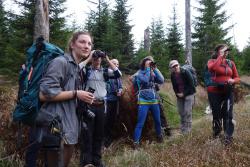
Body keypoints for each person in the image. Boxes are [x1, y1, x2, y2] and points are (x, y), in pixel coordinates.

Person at [24, 31, 95, 167]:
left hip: (69, 130)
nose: (86, 46)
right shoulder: (60, 62)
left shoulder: (76, 68)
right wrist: (76, 93)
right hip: (56, 131)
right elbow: (44, 94)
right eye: (82, 42)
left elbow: (69, 93)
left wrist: (82, 98)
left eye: (89, 43)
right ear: (72, 45)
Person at [79, 51, 122, 167]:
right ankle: (86, 161)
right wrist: (88, 58)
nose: (97, 60)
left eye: (99, 58)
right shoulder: (86, 71)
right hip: (89, 105)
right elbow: (77, 68)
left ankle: (96, 160)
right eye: (95, 58)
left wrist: (107, 60)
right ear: (92, 59)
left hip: (101, 106)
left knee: (99, 134)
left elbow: (118, 74)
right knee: (87, 134)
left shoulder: (105, 72)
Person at [206, 44, 240, 145]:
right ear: (218, 52)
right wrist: (220, 56)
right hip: (214, 92)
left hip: (227, 91)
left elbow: (237, 78)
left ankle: (228, 137)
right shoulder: (211, 61)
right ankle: (216, 134)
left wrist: (232, 80)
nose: (226, 52)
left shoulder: (230, 63)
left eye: (227, 50)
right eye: (223, 50)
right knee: (216, 114)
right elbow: (214, 68)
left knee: (228, 114)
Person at [133, 56, 164, 147]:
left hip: (154, 100)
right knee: (140, 123)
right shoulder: (139, 73)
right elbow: (146, 81)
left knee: (158, 121)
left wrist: (155, 69)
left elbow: (161, 80)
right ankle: (136, 143)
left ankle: (159, 136)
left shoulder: (153, 71)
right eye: (148, 63)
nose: (150, 65)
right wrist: (148, 70)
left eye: (151, 63)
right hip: (143, 101)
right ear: (144, 64)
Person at [169, 60, 196, 134]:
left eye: (176, 65)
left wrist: (183, 93)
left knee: (187, 112)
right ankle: (183, 129)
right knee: (181, 112)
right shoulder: (172, 75)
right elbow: (174, 86)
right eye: (173, 66)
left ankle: (187, 131)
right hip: (180, 95)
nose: (175, 67)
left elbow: (191, 85)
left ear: (179, 65)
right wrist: (177, 94)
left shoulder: (185, 72)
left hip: (189, 94)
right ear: (171, 68)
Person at [104, 59, 123, 148]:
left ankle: (110, 137)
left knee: (112, 119)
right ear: (109, 64)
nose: (116, 65)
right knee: (106, 120)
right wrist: (114, 91)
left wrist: (120, 90)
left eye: (117, 64)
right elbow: (106, 87)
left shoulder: (118, 76)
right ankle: (105, 139)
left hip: (116, 100)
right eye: (114, 63)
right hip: (107, 100)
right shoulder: (106, 73)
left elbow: (120, 87)